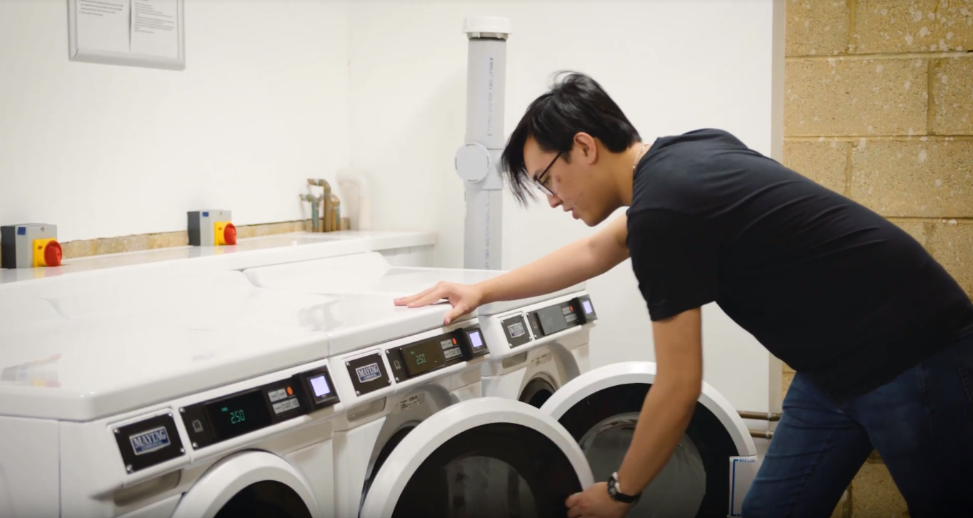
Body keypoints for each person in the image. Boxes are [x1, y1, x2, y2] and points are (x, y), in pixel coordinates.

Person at [394, 72, 973, 518]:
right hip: (836, 372)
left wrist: (620, 494)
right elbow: (599, 250)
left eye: (548, 179)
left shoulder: (667, 209)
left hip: (912, 355)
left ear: (585, 146)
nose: (552, 199)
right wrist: (480, 289)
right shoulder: (681, 159)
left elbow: (678, 387)